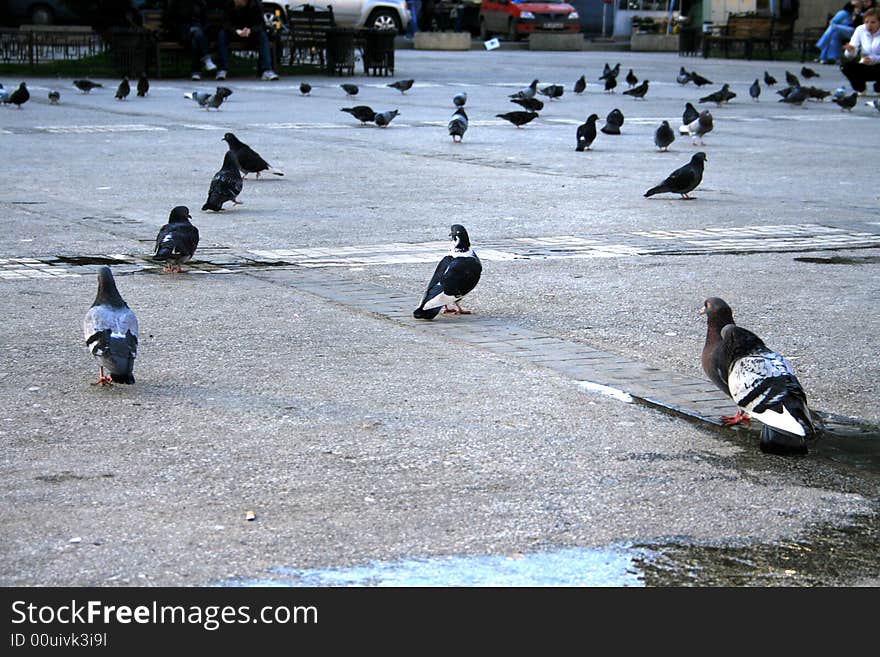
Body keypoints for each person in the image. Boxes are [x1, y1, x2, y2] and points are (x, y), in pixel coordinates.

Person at [215, 0, 279, 81]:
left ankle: (267, 70)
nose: (236, 2)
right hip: (233, 33)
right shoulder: (229, 4)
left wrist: (250, 31)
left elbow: (260, 25)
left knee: (262, 36)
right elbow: (225, 24)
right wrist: (236, 31)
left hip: (250, 34)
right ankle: (222, 70)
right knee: (222, 34)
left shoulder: (255, 5)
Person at [163, 0, 217, 81]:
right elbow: (170, 20)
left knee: (195, 41)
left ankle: (196, 72)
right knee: (197, 34)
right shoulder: (175, 3)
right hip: (181, 30)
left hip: (199, 32)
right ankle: (206, 60)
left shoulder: (200, 3)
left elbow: (205, 20)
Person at [841, 6, 880, 93]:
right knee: (846, 67)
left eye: (873, 22)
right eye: (866, 22)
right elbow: (851, 54)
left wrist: (873, 59)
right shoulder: (860, 30)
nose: (869, 25)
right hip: (865, 64)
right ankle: (860, 88)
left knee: (878, 89)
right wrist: (850, 50)